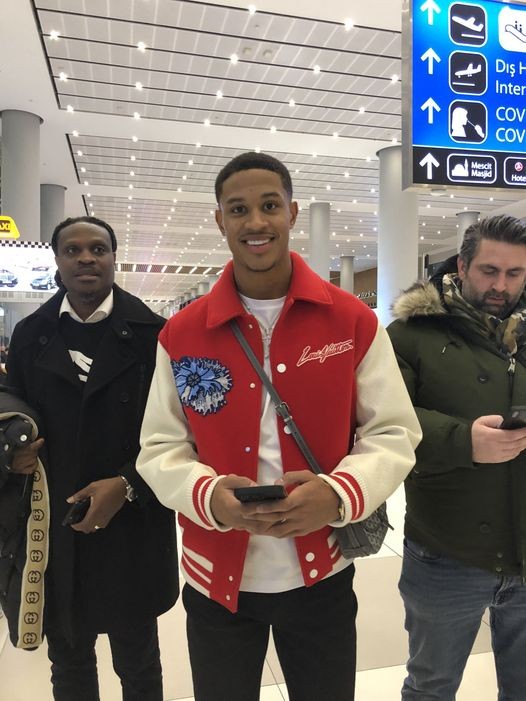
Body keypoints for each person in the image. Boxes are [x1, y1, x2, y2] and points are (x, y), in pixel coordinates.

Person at [137, 151, 421, 701]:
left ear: (291, 213)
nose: (255, 222)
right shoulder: (182, 333)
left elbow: (393, 432)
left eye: (269, 206)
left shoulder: (351, 320)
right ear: (220, 220)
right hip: (216, 577)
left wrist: (338, 494)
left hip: (322, 574)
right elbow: (159, 445)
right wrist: (208, 497)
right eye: (238, 209)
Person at [4, 216, 178, 701]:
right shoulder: (31, 334)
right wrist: (13, 452)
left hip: (133, 519)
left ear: (113, 257)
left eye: (98, 249)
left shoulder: (154, 333)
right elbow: (11, 405)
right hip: (58, 520)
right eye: (73, 250)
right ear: (57, 260)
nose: (86, 258)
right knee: (69, 659)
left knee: (138, 660)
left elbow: (179, 430)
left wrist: (128, 484)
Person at [387, 214, 526, 700]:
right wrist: (461, 440)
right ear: (462, 266)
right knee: (431, 686)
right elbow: (382, 424)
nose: (501, 285)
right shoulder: (410, 335)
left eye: (514, 273)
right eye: (489, 271)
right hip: (446, 552)